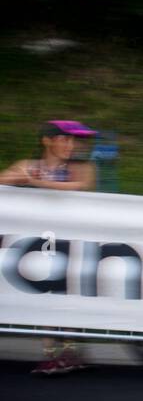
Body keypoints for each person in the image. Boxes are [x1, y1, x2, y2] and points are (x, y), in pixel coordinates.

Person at [1, 121, 99, 374]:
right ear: (47, 140)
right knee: (45, 295)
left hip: (73, 242)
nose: (71, 145)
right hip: (38, 243)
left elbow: (80, 186)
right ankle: (50, 354)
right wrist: (19, 178)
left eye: (73, 140)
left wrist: (37, 183)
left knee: (68, 296)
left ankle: (70, 350)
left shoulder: (81, 167)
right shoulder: (29, 166)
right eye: (64, 139)